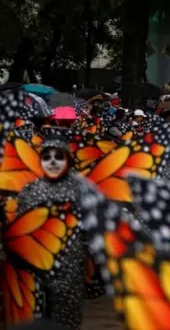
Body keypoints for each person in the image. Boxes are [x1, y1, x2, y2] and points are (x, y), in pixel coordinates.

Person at [16, 137, 88, 329]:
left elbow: (90, 228)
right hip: (36, 266)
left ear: (68, 160)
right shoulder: (30, 191)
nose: (53, 161)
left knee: (67, 318)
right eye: (47, 157)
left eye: (59, 157)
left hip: (70, 265)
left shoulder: (81, 190)